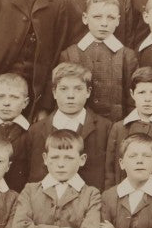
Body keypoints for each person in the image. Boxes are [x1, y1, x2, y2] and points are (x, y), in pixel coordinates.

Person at [21, 63, 112, 191]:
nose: (70, 95)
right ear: (54, 93)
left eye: (78, 89)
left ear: (88, 92)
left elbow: (109, 174)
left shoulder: (105, 128)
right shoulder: (36, 130)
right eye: (64, 89)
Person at [60, 0, 137, 123]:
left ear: (118, 20)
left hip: (114, 125)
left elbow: (132, 101)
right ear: (85, 18)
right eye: (97, 17)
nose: (104, 23)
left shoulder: (127, 56)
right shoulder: (69, 54)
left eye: (111, 18)